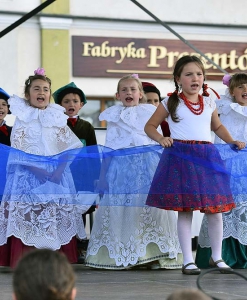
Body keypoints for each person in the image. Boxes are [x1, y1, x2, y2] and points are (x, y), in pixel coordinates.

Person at [144, 55, 245, 275]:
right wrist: (161, 138)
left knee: (215, 210)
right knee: (185, 210)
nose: (195, 78)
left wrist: (231, 141)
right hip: (181, 158)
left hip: (207, 157)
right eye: (189, 74)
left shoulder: (209, 102)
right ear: (178, 78)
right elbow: (150, 126)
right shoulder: (170, 102)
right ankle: (187, 260)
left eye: (199, 74)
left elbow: (217, 127)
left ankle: (217, 257)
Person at [85, 74, 182, 270]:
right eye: (124, 90)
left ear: (140, 94)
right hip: (122, 170)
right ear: (118, 95)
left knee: (152, 210)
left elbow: (160, 142)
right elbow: (110, 148)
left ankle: (155, 254)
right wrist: (103, 178)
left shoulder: (150, 112)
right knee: (124, 210)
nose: (129, 92)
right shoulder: (113, 116)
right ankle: (126, 254)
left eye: (133, 89)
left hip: (148, 168)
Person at [0, 68, 86, 268]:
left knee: (53, 214)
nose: (42, 92)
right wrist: (37, 170)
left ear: (49, 94)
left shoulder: (57, 117)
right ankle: (27, 257)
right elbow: (18, 149)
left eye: (46, 89)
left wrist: (58, 171)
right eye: (36, 88)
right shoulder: (22, 118)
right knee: (31, 214)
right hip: (28, 174)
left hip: (56, 175)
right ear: (28, 95)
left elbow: (70, 146)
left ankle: (55, 257)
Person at [196, 73, 247, 269]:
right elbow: (220, 137)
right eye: (240, 87)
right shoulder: (226, 110)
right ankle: (221, 254)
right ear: (231, 91)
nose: (245, 90)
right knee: (227, 208)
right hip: (229, 167)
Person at [53, 82, 100, 263]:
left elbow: (94, 153)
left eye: (75, 101)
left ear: (81, 104)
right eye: (66, 101)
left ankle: (81, 247)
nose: (70, 104)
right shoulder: (56, 126)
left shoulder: (87, 127)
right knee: (62, 210)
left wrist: (96, 177)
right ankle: (63, 247)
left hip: (82, 176)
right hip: (62, 175)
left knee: (80, 211)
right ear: (58, 105)